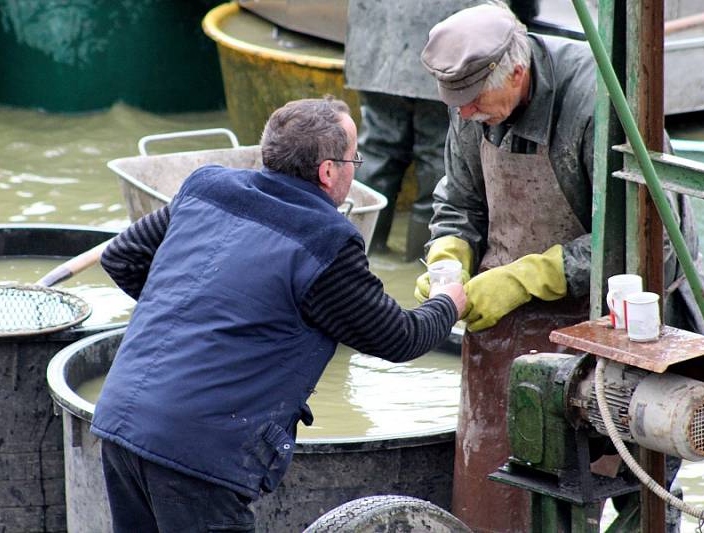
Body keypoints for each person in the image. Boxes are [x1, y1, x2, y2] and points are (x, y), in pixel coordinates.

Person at [91, 97, 466, 533]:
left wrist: (198, 311)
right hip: (198, 455)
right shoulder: (328, 241)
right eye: (353, 159)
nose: (354, 169)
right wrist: (447, 301)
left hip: (122, 418)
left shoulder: (207, 186)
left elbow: (121, 258)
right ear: (328, 172)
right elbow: (400, 337)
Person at [416, 3, 704, 532]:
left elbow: (648, 245)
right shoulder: (473, 105)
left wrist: (524, 277)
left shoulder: (602, 103)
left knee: (633, 482)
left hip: (612, 322)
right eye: (455, 105)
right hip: (507, 326)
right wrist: (449, 254)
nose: (463, 115)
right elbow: (458, 200)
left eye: (474, 103)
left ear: (518, 72)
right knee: (500, 495)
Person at [344, 0, 486, 260]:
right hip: (450, 36)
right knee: (437, 152)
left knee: (377, 148)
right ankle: (426, 262)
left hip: (378, 36)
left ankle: (356, 256)